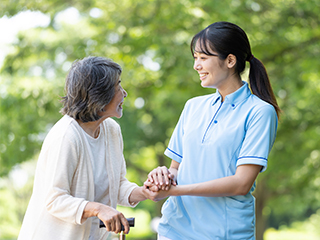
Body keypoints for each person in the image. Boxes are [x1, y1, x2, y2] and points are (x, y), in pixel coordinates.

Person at [144, 21, 280, 240]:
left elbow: (241, 183)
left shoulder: (260, 112)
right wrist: (163, 176)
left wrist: (175, 191)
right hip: (174, 230)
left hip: (223, 233)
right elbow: (177, 170)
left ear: (230, 60)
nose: (196, 65)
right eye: (195, 58)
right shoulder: (193, 107)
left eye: (203, 58)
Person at [18, 56, 154, 240]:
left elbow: (118, 185)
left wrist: (145, 192)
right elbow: (54, 199)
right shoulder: (66, 136)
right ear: (100, 95)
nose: (124, 93)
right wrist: (98, 209)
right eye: (118, 87)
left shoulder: (111, 130)